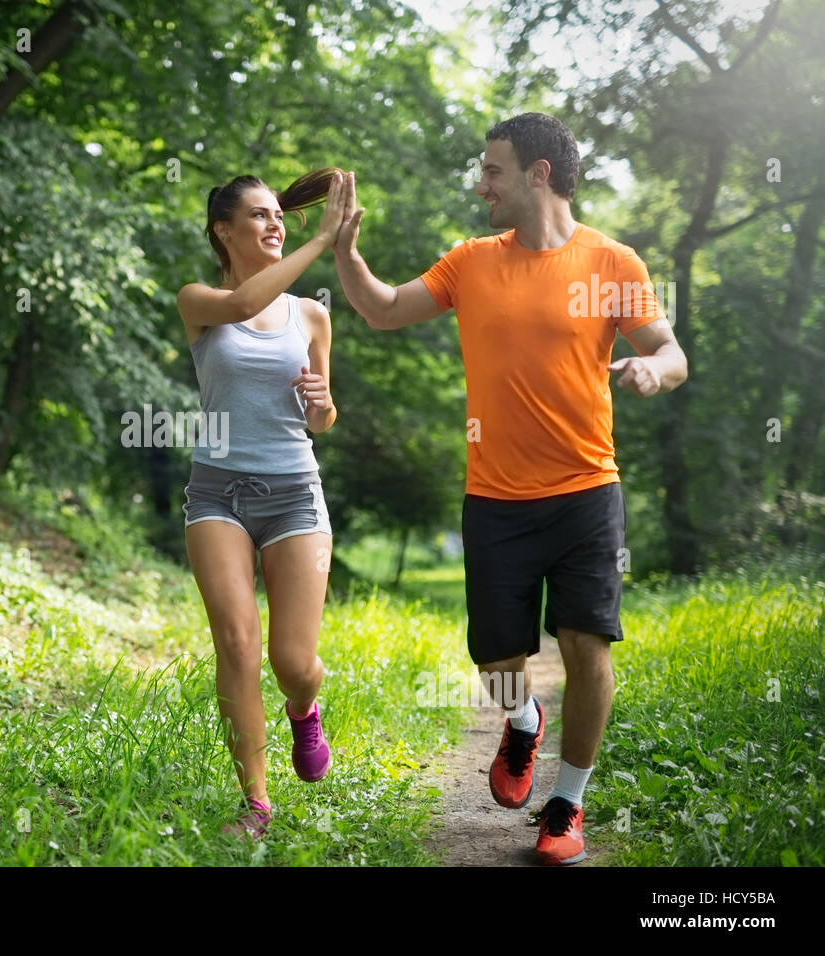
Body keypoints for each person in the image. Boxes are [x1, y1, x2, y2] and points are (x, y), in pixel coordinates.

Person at [331, 113, 688, 865]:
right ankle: (519, 718)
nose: (480, 183)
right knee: (497, 661)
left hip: (588, 486)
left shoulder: (613, 263)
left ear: (539, 174)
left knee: (587, 641)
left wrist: (656, 369)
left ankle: (567, 804)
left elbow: (668, 349)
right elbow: (384, 309)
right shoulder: (471, 263)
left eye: (492, 170)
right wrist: (345, 253)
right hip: (494, 497)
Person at [177, 168, 346, 839]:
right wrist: (324, 237)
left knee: (292, 663)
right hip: (217, 490)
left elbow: (322, 419)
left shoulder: (312, 315)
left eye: (280, 215)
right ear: (223, 229)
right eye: (259, 215)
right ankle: (255, 802)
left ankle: (305, 710)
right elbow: (246, 304)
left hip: (293, 494)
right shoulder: (199, 299)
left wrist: (324, 407)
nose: (276, 225)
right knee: (237, 644)